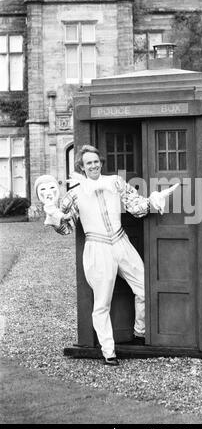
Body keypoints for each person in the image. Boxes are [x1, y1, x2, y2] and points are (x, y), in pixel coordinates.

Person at [38, 144, 174, 366]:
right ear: (81, 167)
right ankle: (108, 351)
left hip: (121, 242)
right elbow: (66, 228)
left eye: (96, 161)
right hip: (97, 248)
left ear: (101, 162)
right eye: (88, 163)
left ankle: (140, 332)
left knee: (145, 288)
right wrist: (53, 215)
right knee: (102, 303)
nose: (93, 165)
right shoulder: (74, 193)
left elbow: (135, 206)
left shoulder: (115, 182)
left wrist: (153, 201)